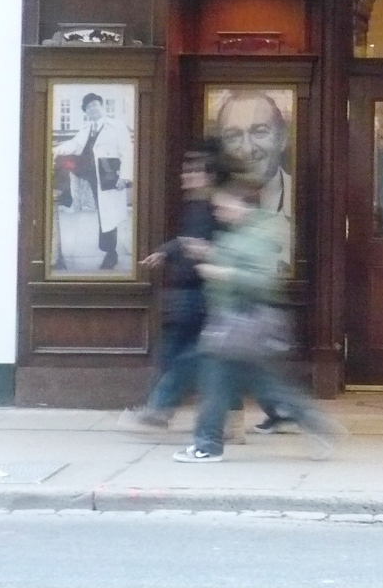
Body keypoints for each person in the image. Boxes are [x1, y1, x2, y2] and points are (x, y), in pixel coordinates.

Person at [173, 183, 338, 463]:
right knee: (262, 384)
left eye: (224, 207)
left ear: (243, 205)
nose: (219, 212)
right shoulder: (238, 233)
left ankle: (208, 445)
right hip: (235, 322)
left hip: (244, 320)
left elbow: (263, 280)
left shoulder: (260, 234)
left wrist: (222, 272)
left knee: (217, 381)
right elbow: (237, 260)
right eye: (217, 208)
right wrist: (208, 254)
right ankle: (313, 421)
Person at [120, 144, 221, 429]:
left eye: (193, 172)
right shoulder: (198, 207)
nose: (186, 177)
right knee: (180, 356)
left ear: (209, 177)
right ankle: (161, 408)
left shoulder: (212, 208)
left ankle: (161, 408)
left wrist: (194, 251)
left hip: (199, 294)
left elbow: (205, 245)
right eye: (186, 171)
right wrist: (167, 250)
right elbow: (187, 240)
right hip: (189, 294)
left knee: (185, 357)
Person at [53, 92, 130, 270]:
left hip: (109, 175)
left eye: (95, 105)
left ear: (101, 106)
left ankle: (111, 253)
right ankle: (108, 251)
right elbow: (74, 145)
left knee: (108, 215)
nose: (92, 109)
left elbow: (127, 151)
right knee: (103, 214)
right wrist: (56, 150)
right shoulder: (86, 129)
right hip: (91, 176)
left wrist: (124, 177)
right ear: (86, 112)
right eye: (88, 107)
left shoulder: (116, 126)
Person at [214, 91, 293, 260]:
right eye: (233, 136)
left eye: (259, 132)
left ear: (282, 138)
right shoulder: (214, 203)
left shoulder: (302, 199)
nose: (247, 149)